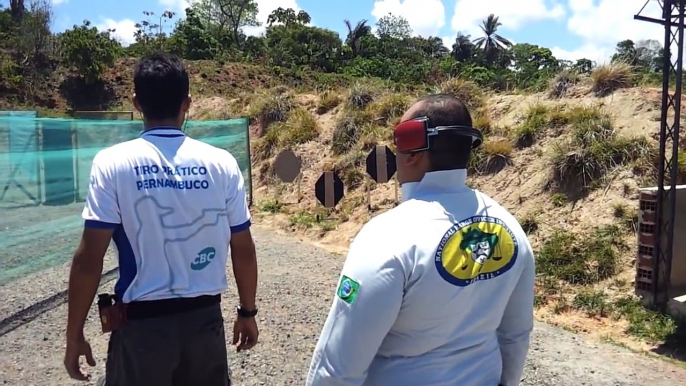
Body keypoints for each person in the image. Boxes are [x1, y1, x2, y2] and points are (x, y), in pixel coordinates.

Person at [306, 94, 535, 386]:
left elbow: (338, 365)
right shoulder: (511, 228)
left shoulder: (387, 236)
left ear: (412, 151)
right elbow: (515, 335)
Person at [63, 53, 259, 386]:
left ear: (137, 103)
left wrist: (74, 333)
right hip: (205, 324)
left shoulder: (112, 163)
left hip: (142, 332)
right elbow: (243, 247)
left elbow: (88, 259)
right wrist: (247, 312)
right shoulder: (222, 163)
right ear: (188, 103)